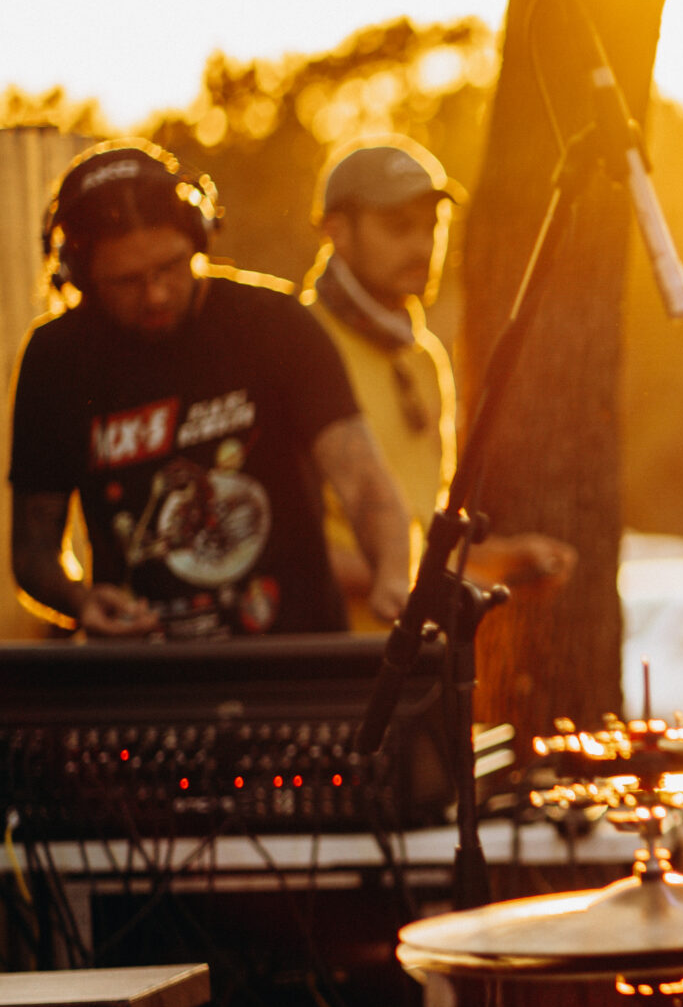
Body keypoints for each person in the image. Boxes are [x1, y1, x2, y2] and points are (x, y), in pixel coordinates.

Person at [11, 141, 409, 639]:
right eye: (127, 281)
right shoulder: (56, 360)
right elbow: (32, 550)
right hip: (146, 678)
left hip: (296, 662)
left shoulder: (275, 323)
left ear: (198, 239)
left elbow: (364, 481)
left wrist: (394, 580)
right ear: (78, 274)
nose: (155, 294)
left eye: (170, 268)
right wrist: (80, 600)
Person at [303, 138, 574, 631]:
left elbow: (425, 529)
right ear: (337, 231)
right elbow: (289, 545)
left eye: (432, 226)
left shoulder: (424, 357)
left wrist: (503, 560)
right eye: (397, 227)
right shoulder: (299, 344)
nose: (423, 245)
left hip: (416, 658)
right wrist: (422, 580)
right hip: (331, 659)